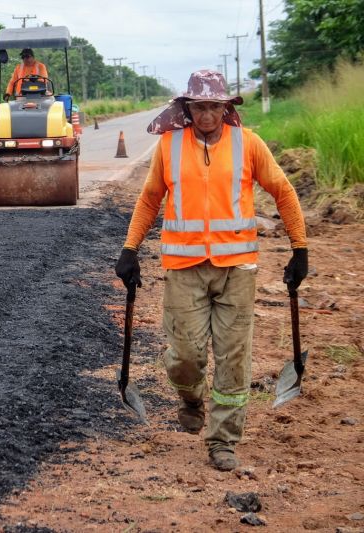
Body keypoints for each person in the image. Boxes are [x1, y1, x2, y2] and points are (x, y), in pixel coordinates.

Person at [115, 70, 308, 471]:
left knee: (234, 357)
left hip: (237, 269)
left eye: (214, 107)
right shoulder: (169, 146)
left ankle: (222, 440)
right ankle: (190, 398)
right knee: (184, 355)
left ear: (226, 108)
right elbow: (151, 199)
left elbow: (284, 192)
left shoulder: (248, 143)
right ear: (187, 109)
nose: (207, 115)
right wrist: (130, 249)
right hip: (184, 267)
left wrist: (299, 249)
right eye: (199, 107)